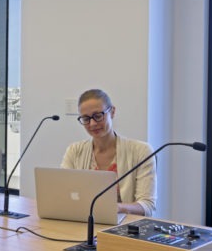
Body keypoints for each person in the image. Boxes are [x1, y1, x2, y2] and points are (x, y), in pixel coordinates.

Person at [61, 88, 156, 216]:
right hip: (84, 224)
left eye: (98, 116)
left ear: (112, 112)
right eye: (86, 119)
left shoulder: (141, 151)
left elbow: (147, 206)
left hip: (124, 228)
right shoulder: (74, 151)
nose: (93, 124)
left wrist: (115, 208)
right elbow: (64, 195)